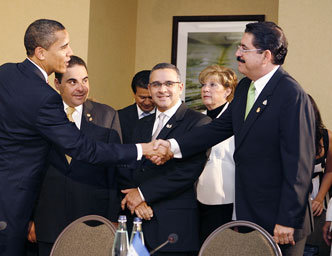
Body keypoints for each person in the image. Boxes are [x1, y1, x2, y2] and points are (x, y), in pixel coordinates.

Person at [0, 19, 168, 256]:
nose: (70, 53)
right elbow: (82, 148)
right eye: (64, 47)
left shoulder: (3, 72)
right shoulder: (44, 96)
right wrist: (143, 149)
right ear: (41, 52)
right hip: (8, 200)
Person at [131, 21, 315, 256]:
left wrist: (288, 218)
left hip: (281, 219)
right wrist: (172, 146)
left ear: (265, 55)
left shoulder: (290, 94)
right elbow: (217, 129)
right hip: (251, 215)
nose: (237, 54)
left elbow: (299, 163)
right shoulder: (246, 87)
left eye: (244, 48)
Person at [31, 56, 122, 256]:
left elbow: (114, 170)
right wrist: (30, 218)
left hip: (94, 218)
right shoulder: (41, 115)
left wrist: (114, 218)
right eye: (72, 81)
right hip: (49, 219)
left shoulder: (107, 115)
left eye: (85, 80)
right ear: (57, 84)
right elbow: (31, 170)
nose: (81, 88)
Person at [121, 63, 211, 255]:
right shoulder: (142, 124)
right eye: (156, 84)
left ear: (180, 87)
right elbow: (131, 166)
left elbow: (188, 171)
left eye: (169, 83)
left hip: (173, 227)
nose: (162, 90)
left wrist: (143, 193)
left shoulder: (199, 123)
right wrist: (137, 200)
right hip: (137, 222)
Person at [195, 65, 237, 242]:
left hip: (228, 200)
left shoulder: (237, 121)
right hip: (196, 198)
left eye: (213, 85)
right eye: (204, 85)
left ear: (228, 91)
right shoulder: (195, 119)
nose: (205, 89)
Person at [305, 94, 332, 255]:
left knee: (317, 244)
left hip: (316, 196)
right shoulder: (283, 136)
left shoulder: (326, 136)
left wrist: (319, 198)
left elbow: (330, 170)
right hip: (290, 200)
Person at [118, 70, 155, 143]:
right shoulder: (119, 117)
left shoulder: (165, 117)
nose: (147, 103)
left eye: (151, 97)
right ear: (134, 94)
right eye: (142, 97)